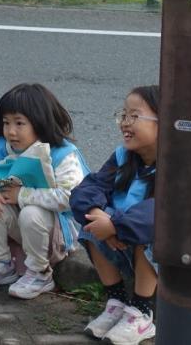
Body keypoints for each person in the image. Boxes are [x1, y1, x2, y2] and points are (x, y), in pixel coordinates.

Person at [0, 83, 90, 299]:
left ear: (40, 122)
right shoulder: (3, 148)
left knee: (31, 212)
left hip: (57, 237)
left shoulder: (61, 154)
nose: (11, 131)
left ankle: (40, 273)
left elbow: (70, 197)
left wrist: (22, 195)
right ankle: (0, 264)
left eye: (19, 123)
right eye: (6, 122)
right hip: (25, 233)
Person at [70, 85, 159, 345]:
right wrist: (99, 215)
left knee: (153, 232)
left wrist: (115, 225)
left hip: (158, 257)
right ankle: (116, 301)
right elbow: (89, 188)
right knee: (91, 220)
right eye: (123, 115)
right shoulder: (123, 157)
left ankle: (142, 311)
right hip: (121, 241)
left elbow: (159, 210)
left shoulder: (177, 165)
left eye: (134, 116)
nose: (124, 123)